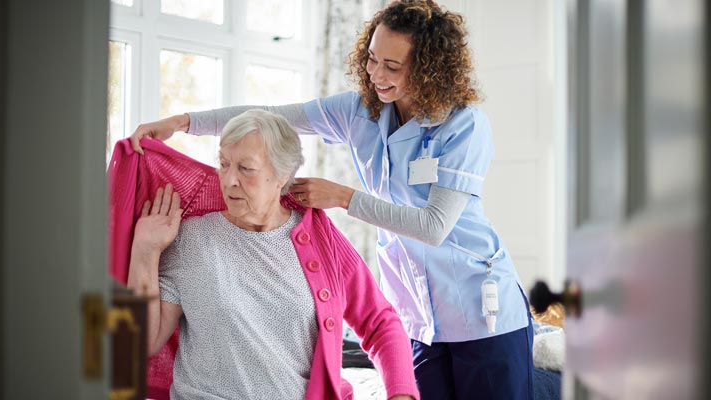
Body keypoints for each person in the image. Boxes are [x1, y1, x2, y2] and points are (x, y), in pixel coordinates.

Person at [130, 1, 534, 398]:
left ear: (429, 70)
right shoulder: (361, 111)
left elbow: (433, 227)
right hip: (419, 314)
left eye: (392, 67)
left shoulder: (463, 125)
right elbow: (271, 115)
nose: (375, 74)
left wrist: (342, 197)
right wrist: (183, 122)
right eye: (372, 59)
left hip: (480, 306)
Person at [126, 110, 419, 400]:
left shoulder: (319, 238)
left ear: (282, 176)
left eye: (246, 168)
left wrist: (401, 395)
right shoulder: (190, 238)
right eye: (224, 164)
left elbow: (379, 321)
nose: (229, 180)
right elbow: (142, 343)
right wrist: (145, 251)